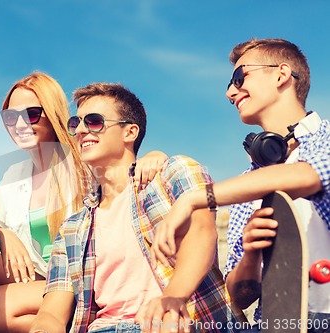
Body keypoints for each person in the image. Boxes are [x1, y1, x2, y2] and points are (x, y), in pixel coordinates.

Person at [29, 82, 246, 333]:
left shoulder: (174, 173)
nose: (81, 131)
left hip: (182, 324)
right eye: (75, 124)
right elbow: (52, 311)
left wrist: (170, 300)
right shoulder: (71, 229)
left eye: (94, 121)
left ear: (130, 132)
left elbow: (203, 233)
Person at [150, 38, 330, 332]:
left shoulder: (326, 139)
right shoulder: (246, 185)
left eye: (238, 77)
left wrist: (196, 198)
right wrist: (251, 252)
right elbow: (238, 295)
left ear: (281, 74)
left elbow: (308, 176)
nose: (230, 92)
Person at [0, 72, 169, 333]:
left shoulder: (83, 160)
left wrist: (157, 155)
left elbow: (124, 170)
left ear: (52, 113)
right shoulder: (14, 176)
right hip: (45, 280)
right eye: (10, 118)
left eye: (31, 114)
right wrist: (2, 232)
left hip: (82, 280)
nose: (19, 124)